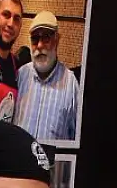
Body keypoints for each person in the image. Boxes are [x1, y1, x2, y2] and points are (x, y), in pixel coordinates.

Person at [13, 11, 80, 141]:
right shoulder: (21, 75)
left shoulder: (71, 85)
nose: (39, 45)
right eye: (35, 39)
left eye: (46, 38)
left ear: (57, 40)